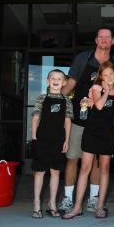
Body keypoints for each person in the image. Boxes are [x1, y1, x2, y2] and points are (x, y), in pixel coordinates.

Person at [59, 28, 114, 213]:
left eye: (107, 37)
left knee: (98, 162)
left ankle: (93, 199)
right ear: (96, 40)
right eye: (101, 36)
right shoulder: (83, 58)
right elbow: (71, 84)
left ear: (112, 41)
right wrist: (54, 98)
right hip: (80, 119)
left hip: (102, 123)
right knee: (73, 158)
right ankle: (68, 198)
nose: (104, 40)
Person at [31, 69, 73, 219]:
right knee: (40, 171)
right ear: (48, 81)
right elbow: (35, 118)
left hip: (58, 140)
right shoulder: (41, 98)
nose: (56, 80)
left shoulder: (66, 100)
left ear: (64, 83)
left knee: (55, 172)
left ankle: (52, 203)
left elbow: (67, 122)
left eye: (59, 79)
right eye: (53, 78)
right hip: (42, 139)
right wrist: (34, 138)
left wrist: (67, 141)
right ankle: (36, 203)